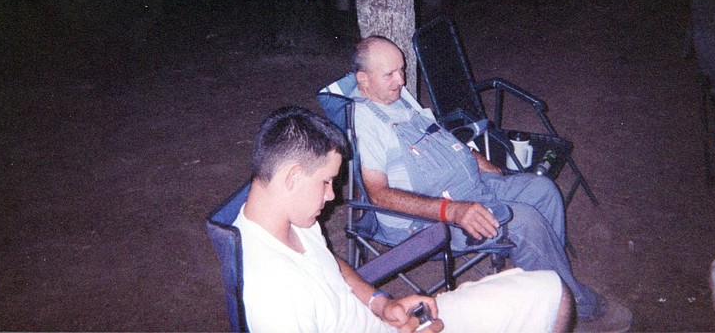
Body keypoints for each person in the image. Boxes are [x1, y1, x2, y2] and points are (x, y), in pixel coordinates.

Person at [350, 36, 633, 333]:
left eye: (402, 70)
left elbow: (436, 137)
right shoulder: (366, 121)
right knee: (525, 223)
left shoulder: (396, 96)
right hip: (426, 220)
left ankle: (550, 282)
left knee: (543, 191)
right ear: (363, 79)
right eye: (390, 74)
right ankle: (576, 307)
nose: (401, 80)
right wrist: (452, 210)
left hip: (467, 185)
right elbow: (379, 195)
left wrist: (474, 158)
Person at [234, 106, 573, 333]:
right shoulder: (272, 294)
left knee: (555, 295)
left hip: (389, 323)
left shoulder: (287, 215)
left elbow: (329, 262)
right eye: (326, 182)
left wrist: (380, 303)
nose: (332, 196)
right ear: (292, 177)